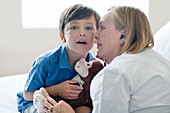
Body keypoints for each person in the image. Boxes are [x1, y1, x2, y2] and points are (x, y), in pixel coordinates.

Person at [40, 6, 170, 113]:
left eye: (101, 27)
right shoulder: (163, 64)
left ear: (123, 36)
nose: (95, 34)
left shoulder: (113, 74)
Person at [16, 4, 100, 113]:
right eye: (74, 27)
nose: (82, 33)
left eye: (88, 28)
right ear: (62, 36)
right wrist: (56, 90)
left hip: (70, 104)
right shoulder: (46, 62)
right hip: (36, 102)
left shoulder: (94, 66)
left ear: (96, 36)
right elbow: (27, 95)